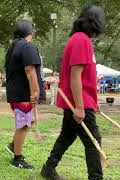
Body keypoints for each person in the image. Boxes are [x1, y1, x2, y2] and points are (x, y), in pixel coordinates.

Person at [41, 5, 105, 180]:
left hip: (82, 100)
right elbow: (75, 76)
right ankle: (96, 177)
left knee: (67, 135)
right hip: (77, 101)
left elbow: (86, 76)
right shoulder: (80, 40)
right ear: (95, 22)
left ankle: (48, 168)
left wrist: (93, 100)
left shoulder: (81, 40)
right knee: (94, 141)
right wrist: (80, 106)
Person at [4, 20, 40, 169]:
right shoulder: (27, 46)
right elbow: (30, 71)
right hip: (23, 93)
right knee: (24, 125)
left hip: (16, 92)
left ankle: (14, 146)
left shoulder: (14, 46)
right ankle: (17, 159)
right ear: (30, 33)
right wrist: (36, 91)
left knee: (28, 121)